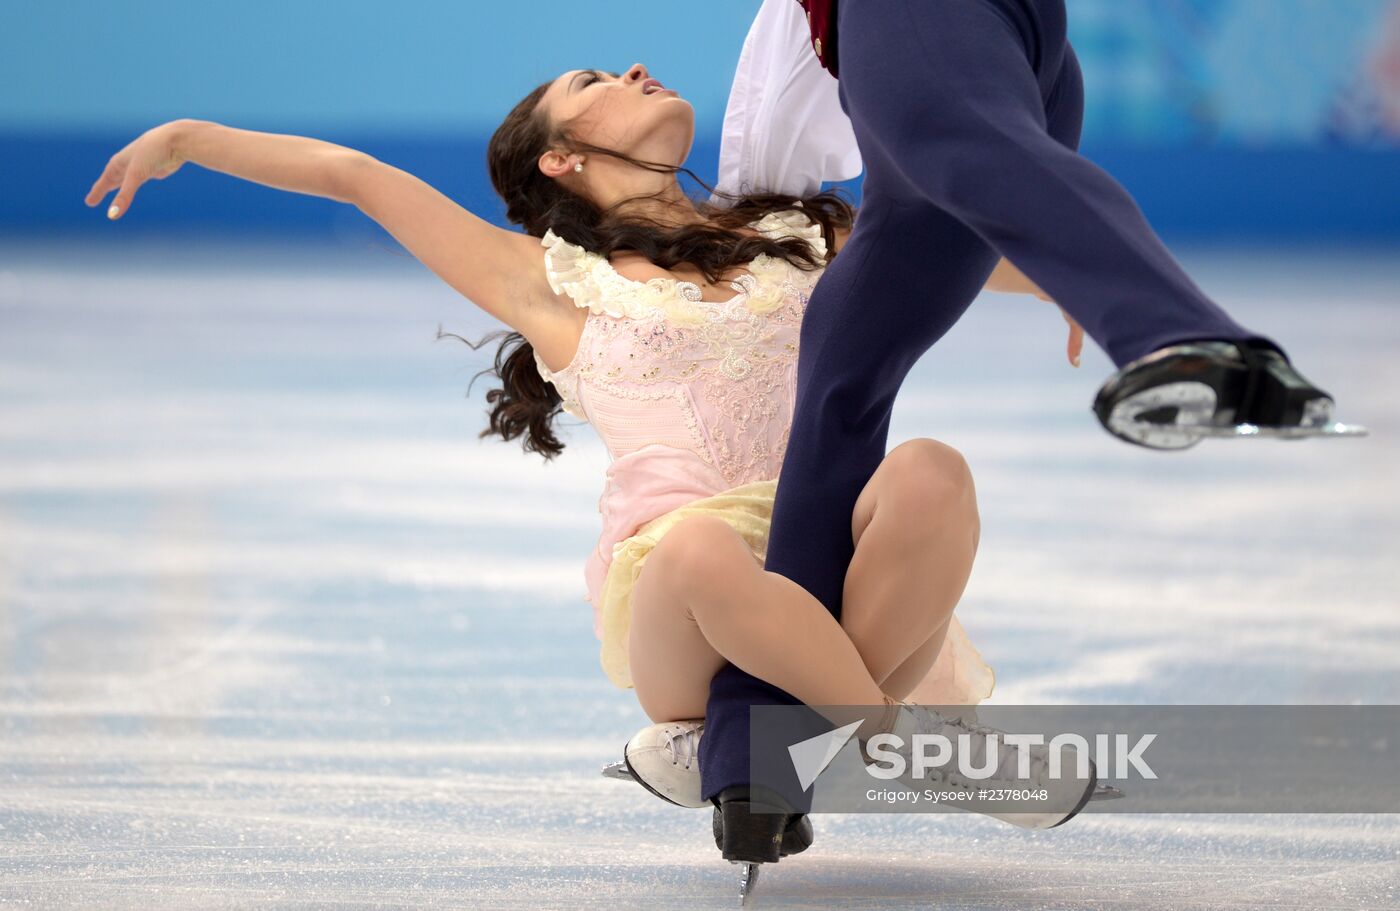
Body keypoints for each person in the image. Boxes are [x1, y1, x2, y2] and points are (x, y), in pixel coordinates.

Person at [83, 58, 1087, 855]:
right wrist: (185, 138)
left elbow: (956, 254)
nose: (637, 68)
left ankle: (803, 740)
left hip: (832, 562)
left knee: (930, 470)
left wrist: (1070, 281)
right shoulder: (549, 282)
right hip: (688, 604)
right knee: (698, 545)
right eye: (593, 80)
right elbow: (357, 179)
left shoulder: (798, 230)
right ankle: (910, 750)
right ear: (558, 158)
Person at [683, 0, 1355, 864]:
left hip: (927, 29)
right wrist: (1061, 253)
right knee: (842, 368)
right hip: (986, 56)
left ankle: (1183, 340)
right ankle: (757, 759)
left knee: (960, 145)